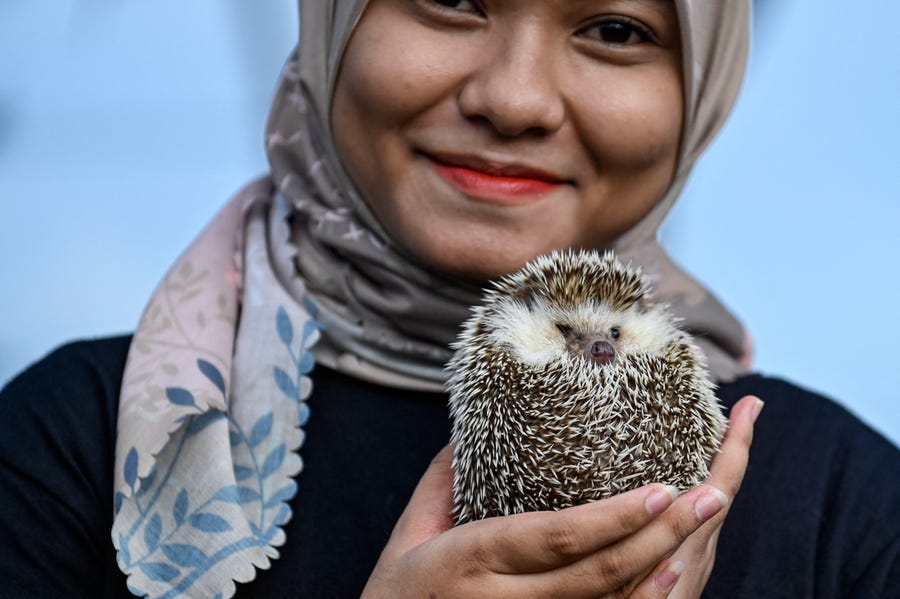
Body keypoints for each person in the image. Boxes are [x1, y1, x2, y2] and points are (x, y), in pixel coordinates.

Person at [0, 0, 897, 597]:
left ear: (704, 80)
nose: (513, 99)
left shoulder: (852, 510)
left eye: (616, 28)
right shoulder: (73, 446)